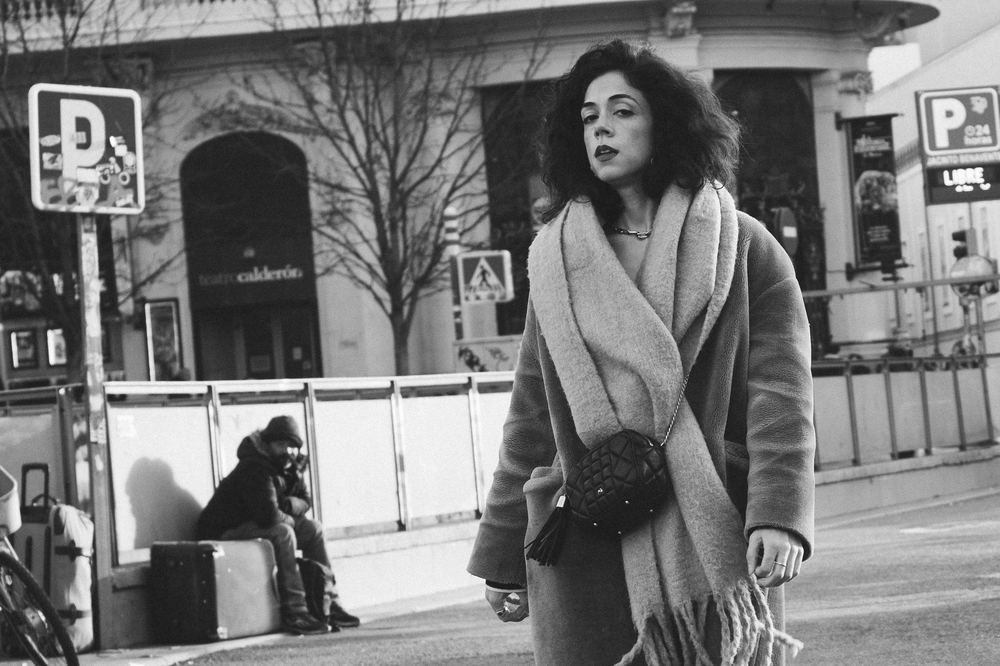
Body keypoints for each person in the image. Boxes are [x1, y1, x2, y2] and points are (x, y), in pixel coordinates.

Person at [467, 39, 815, 666]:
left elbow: (781, 398)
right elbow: (530, 413)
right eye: (588, 117)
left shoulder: (743, 247)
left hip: (712, 520)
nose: (600, 128)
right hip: (585, 527)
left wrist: (780, 513)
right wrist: (501, 549)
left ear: (667, 125)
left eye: (622, 111)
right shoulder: (556, 259)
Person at [196, 415, 360, 635]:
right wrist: (291, 516)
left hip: (257, 523)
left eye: (292, 446)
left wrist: (289, 504)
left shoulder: (291, 466)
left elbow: (306, 501)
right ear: (268, 444)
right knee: (284, 532)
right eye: (280, 444)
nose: (287, 451)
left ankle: (329, 603)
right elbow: (269, 516)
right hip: (225, 531)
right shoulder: (254, 466)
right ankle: (296, 611)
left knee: (314, 530)